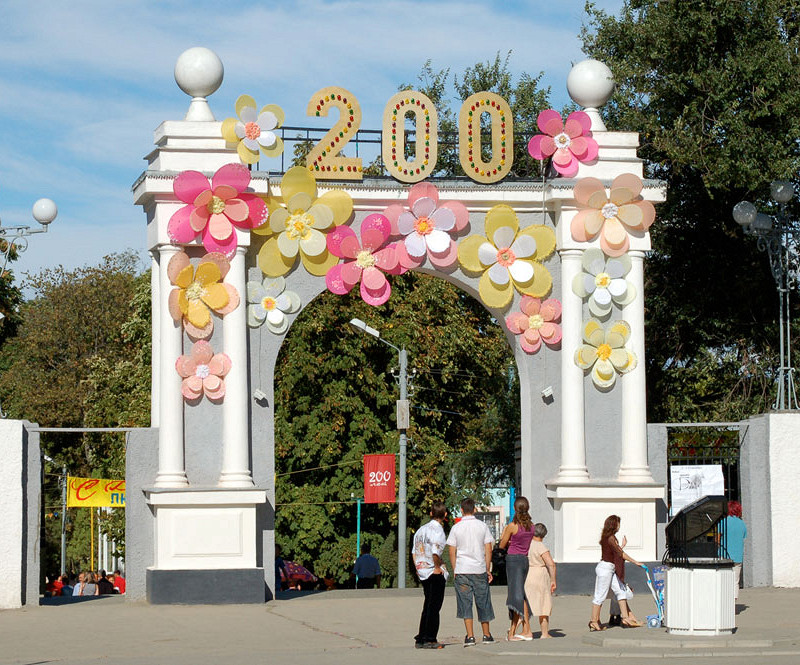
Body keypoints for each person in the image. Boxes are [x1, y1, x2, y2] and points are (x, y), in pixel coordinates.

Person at [446, 497, 495, 647]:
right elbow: (488, 548)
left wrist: (455, 569)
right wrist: (487, 568)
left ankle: (470, 636)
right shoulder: (482, 526)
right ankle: (486, 635)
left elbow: (452, 550)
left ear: (461, 510)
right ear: (474, 509)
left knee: (465, 603)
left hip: (462, 569)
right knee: (483, 601)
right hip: (479, 568)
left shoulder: (456, 528)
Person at [589, 515, 644, 631]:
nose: (619, 526)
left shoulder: (607, 537)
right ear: (614, 525)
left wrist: (622, 546)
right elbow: (620, 554)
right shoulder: (610, 538)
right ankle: (594, 621)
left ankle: (625, 618)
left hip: (608, 568)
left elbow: (615, 551)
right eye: (618, 523)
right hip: (605, 569)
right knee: (600, 596)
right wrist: (635, 562)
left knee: (621, 591)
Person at [412, 500, 448, 650]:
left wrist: (417, 567)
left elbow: (414, 551)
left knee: (427, 605)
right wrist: (438, 567)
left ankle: (421, 636)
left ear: (431, 513)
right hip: (433, 571)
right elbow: (435, 551)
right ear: (445, 515)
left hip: (422, 569)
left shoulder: (421, 530)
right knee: (434, 606)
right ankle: (430, 638)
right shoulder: (438, 531)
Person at [498, 496, 535, 641]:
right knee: (520, 594)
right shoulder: (531, 526)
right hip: (524, 560)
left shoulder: (513, 526)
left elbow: (502, 544)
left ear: (514, 509)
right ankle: (519, 630)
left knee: (515, 595)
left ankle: (525, 630)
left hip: (513, 560)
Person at [525, 523, 557, 638]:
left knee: (527, 605)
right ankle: (544, 633)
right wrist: (553, 579)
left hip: (528, 574)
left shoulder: (527, 545)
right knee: (543, 603)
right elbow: (551, 564)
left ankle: (517, 630)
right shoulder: (541, 547)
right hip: (540, 575)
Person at [719, 500, 747, 600]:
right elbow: (744, 537)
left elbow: (717, 537)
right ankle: (733, 603)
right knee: (735, 581)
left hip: (725, 555)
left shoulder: (723, 522)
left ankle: (725, 602)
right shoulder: (742, 523)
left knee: (724, 580)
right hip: (738, 556)